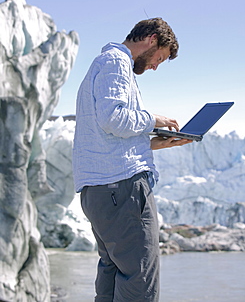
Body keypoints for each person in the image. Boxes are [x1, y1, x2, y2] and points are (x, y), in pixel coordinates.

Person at [73, 18, 192, 302]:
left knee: (112, 275)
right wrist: (154, 119)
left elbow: (107, 135)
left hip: (102, 191)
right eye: (159, 59)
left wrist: (154, 144)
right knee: (139, 281)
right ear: (151, 39)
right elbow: (112, 117)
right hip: (122, 189)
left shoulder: (103, 63)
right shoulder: (117, 62)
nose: (154, 66)